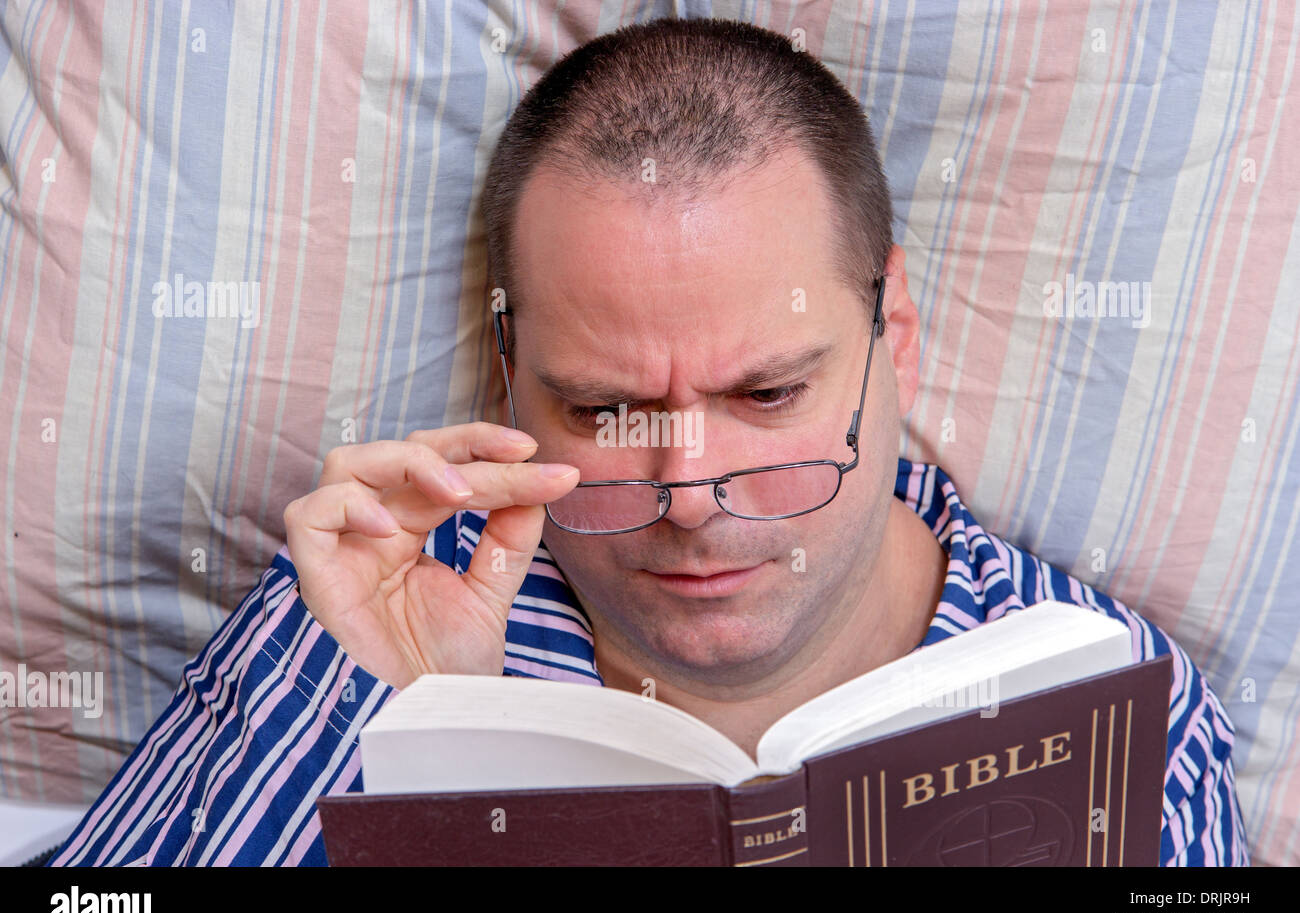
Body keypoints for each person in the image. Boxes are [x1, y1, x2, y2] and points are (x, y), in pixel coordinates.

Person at [49, 17, 1248, 867]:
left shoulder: (1114, 703)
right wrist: (356, 715)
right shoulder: (376, 603)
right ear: (513, 379)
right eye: (605, 411)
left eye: (770, 393)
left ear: (897, 341)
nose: (690, 492)